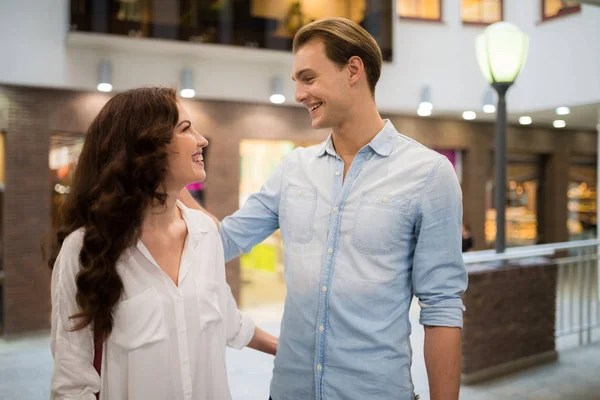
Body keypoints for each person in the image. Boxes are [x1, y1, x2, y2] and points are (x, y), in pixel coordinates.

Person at [181, 17, 468, 400]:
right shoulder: (293, 170)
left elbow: (442, 308)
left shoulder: (429, 174)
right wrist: (165, 177)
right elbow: (220, 241)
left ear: (353, 70)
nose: (298, 93)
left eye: (308, 78)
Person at [48, 87, 277, 400]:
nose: (202, 140)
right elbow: (73, 384)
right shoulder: (86, 248)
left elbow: (227, 319)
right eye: (185, 129)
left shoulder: (205, 235)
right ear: (144, 148)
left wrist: (285, 350)